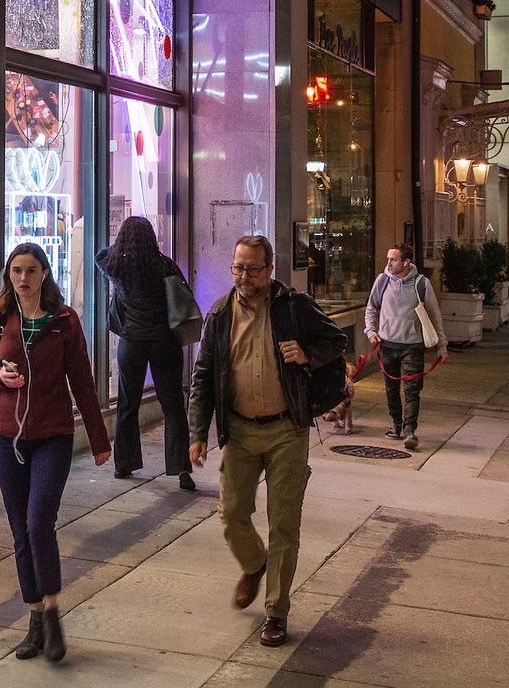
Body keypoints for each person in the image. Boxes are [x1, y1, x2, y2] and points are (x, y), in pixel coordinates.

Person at [188, 236, 347, 647]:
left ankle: (276, 612)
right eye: (238, 268)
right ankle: (254, 565)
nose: (244, 276)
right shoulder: (220, 314)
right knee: (232, 513)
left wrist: (307, 354)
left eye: (252, 269)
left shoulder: (294, 307)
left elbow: (337, 340)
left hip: (285, 431)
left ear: (269, 269)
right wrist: (197, 433)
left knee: (284, 524)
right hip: (239, 431)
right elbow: (203, 375)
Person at [0, 243, 112, 664]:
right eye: (16, 271)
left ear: (45, 273)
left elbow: (83, 381)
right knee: (19, 531)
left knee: (38, 523)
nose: (23, 278)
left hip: (53, 436)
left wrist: (100, 440)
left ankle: (51, 614)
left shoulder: (65, 321)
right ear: (8, 274)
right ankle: (34, 619)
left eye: (31, 270)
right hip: (5, 435)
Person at [96, 216, 195, 490]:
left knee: (128, 403)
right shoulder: (163, 265)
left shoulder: (116, 267)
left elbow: (100, 256)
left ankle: (123, 464)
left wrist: (121, 247)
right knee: (173, 405)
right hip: (164, 343)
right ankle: (181, 469)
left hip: (132, 342)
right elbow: (181, 294)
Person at [362, 243, 445, 450]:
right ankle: (396, 425)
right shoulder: (382, 281)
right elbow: (371, 307)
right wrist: (371, 331)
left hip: (413, 346)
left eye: (393, 260)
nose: (388, 263)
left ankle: (410, 430)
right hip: (387, 344)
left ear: (406, 262)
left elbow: (435, 315)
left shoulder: (421, 284)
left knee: (412, 390)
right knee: (391, 389)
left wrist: (442, 345)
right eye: (389, 259)